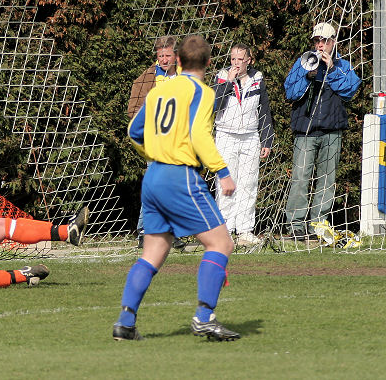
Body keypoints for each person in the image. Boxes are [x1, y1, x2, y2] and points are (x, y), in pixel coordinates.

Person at [115, 34, 240, 342]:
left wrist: (154, 155)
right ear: (209, 64)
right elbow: (199, 135)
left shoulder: (161, 89)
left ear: (179, 61)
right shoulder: (203, 92)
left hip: (154, 177)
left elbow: (133, 130)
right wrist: (222, 172)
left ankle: (125, 323)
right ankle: (204, 318)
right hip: (180, 177)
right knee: (221, 244)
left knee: (154, 251)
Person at [283, 22, 361, 240]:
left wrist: (332, 71)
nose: (319, 45)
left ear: (333, 42)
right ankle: (296, 225)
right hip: (305, 131)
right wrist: (308, 77)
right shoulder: (303, 63)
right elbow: (290, 92)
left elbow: (350, 90)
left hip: (332, 131)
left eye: (324, 41)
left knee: (326, 180)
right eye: (316, 41)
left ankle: (317, 224)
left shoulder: (343, 66)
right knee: (300, 178)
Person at [213, 42, 274, 245]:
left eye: (240, 59)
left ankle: (245, 230)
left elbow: (264, 110)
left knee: (248, 184)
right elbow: (214, 105)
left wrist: (267, 138)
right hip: (226, 135)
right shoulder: (222, 76)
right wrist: (227, 82)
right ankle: (225, 231)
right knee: (226, 185)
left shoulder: (257, 78)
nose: (236, 63)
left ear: (249, 60)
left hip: (250, 137)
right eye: (233, 59)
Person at [126, 35, 183, 248]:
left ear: (175, 56)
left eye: (168, 55)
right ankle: (145, 230)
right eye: (160, 56)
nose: (164, 59)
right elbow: (133, 111)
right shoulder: (145, 79)